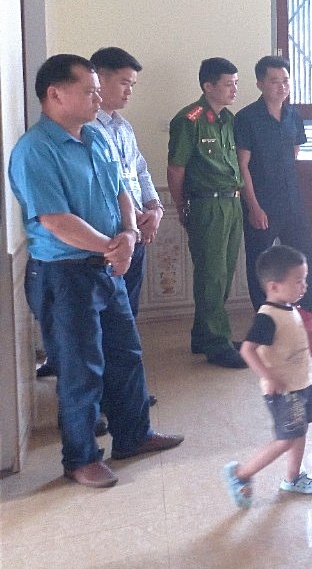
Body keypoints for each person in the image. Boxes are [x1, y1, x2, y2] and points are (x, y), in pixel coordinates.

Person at [8, 54, 183, 488]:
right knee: (80, 368)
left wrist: (129, 233)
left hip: (106, 266)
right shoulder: (35, 150)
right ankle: (80, 458)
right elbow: (55, 220)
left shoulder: (96, 137)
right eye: (89, 91)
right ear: (55, 94)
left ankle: (133, 435)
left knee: (126, 355)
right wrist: (114, 246)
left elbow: (122, 188)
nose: (98, 98)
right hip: (63, 275)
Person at [233, 55, 312, 328]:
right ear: (260, 84)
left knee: (304, 255)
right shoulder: (246, 118)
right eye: (274, 81)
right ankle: (266, 319)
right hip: (262, 203)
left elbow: (293, 153)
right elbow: (242, 166)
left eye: (285, 81)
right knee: (260, 263)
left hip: (292, 201)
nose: (281, 86)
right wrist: (254, 207)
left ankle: (309, 311)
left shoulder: (293, 115)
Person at [222, 245, 312, 507]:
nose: (304, 286)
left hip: (301, 384)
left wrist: (310, 339)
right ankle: (240, 474)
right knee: (285, 439)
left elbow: (287, 343)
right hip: (283, 391)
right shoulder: (267, 317)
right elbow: (247, 350)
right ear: (274, 286)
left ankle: (293, 477)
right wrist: (268, 377)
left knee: (300, 430)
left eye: (305, 279)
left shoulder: (290, 308)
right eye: (298, 281)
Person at [89, 47, 162, 412]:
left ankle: (126, 394)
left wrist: (155, 208)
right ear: (99, 79)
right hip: (111, 238)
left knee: (128, 318)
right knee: (106, 323)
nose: (129, 91)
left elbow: (139, 171)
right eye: (123, 82)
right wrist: (133, 218)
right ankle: (105, 398)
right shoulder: (87, 129)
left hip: (135, 234)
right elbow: (105, 185)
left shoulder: (122, 126)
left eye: (132, 84)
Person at [167, 56, 246, 369]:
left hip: (232, 202)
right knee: (211, 275)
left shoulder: (228, 119)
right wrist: (180, 206)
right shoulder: (189, 119)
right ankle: (217, 342)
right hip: (207, 204)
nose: (234, 90)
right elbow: (176, 169)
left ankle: (204, 334)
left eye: (236, 84)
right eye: (228, 84)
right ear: (208, 86)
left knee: (223, 273)